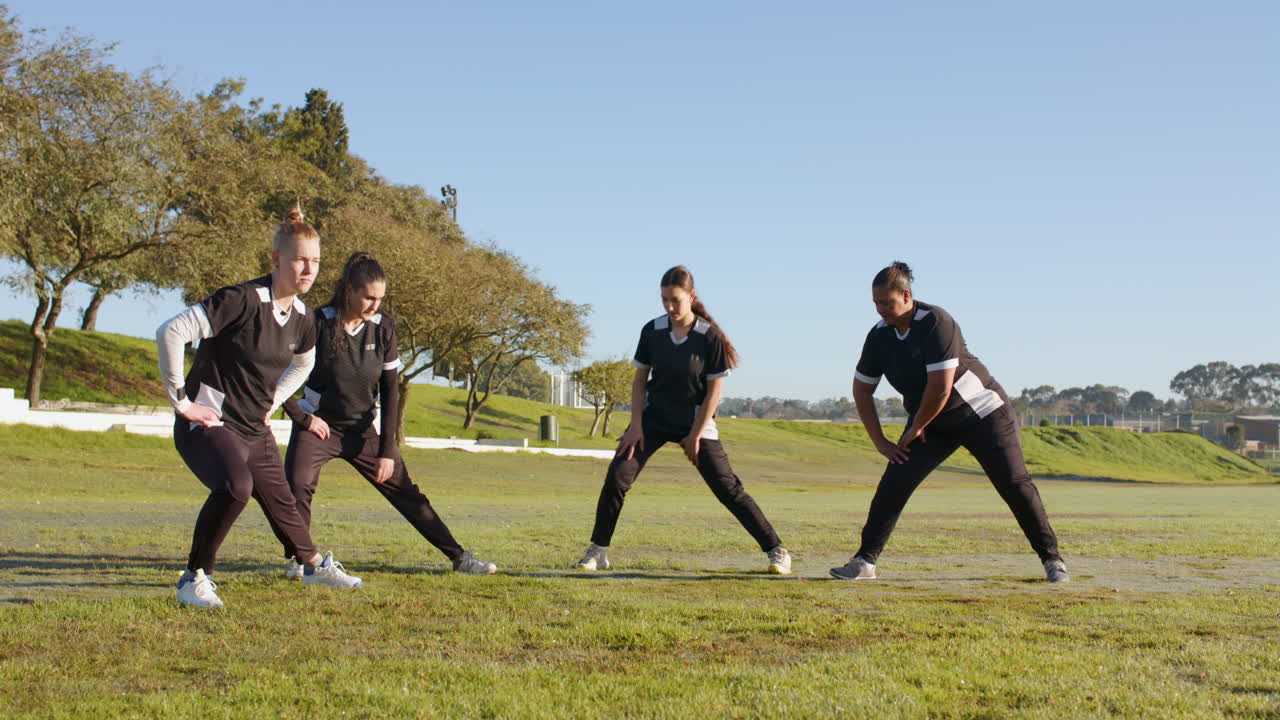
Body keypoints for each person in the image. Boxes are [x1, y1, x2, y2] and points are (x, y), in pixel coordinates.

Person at [157, 205, 363, 608]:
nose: (309, 270)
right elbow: (172, 331)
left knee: (283, 503)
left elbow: (303, 364)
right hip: (211, 425)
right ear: (276, 259)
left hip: (255, 428)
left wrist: (274, 400)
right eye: (300, 260)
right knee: (236, 488)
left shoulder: (304, 318)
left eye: (316, 262)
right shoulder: (240, 300)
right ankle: (193, 579)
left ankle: (313, 565)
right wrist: (181, 402)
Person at [831, 261, 1069, 583]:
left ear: (907, 295)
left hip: (981, 413)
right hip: (930, 422)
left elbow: (940, 388)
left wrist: (915, 427)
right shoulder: (879, 337)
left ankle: (1052, 561)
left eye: (887, 302)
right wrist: (879, 441)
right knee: (894, 484)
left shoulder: (936, 322)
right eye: (876, 303)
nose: (881, 310)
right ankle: (864, 562)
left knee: (1013, 484)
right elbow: (862, 389)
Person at [271, 252, 498, 575]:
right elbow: (279, 377)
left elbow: (391, 388)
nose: (375, 305)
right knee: (297, 485)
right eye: (368, 297)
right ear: (349, 290)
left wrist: (387, 448)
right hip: (319, 426)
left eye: (380, 298)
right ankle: (300, 561)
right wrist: (303, 418)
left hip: (363, 431)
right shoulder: (316, 322)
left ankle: (460, 558)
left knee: (406, 493)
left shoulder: (384, 328)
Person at [576, 265, 792, 575]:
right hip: (653, 420)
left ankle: (777, 550)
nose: (669, 307)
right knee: (617, 476)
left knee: (727, 488)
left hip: (696, 422)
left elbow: (715, 391)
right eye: (664, 299)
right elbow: (639, 381)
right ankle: (598, 551)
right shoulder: (652, 330)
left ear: (691, 296)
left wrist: (695, 434)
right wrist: (635, 425)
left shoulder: (709, 336)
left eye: (675, 300)